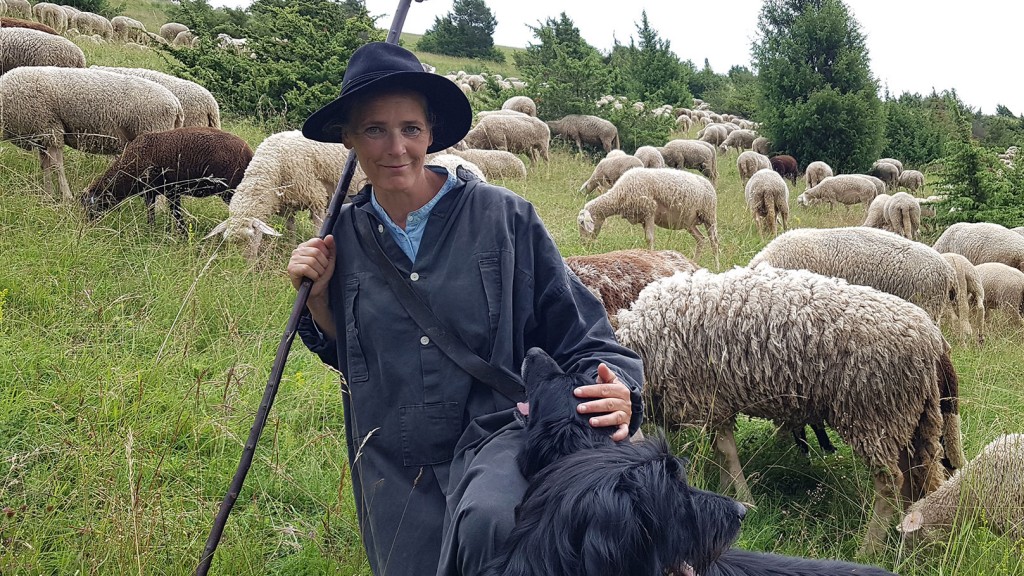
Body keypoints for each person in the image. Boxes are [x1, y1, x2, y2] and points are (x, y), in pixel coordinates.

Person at [288, 41, 644, 576]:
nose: (395, 147)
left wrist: (618, 389)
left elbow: (585, 337)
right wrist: (317, 301)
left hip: (501, 438)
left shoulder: (504, 218)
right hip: (392, 458)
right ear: (348, 138)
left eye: (409, 128)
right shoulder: (339, 241)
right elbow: (358, 360)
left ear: (431, 132)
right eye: (374, 130)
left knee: (493, 529)